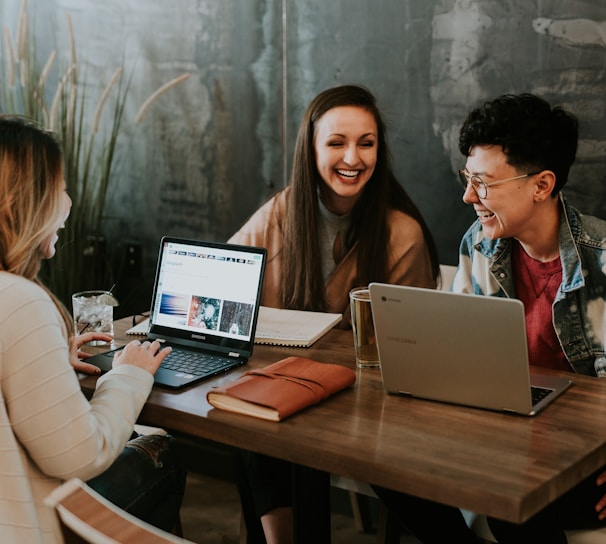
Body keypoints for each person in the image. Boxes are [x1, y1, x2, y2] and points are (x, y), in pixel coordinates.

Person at [373, 93, 606, 544]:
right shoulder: (479, 245)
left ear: (541, 185)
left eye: (483, 182)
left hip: (580, 453)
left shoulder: (602, 260)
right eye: (468, 178)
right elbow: (460, 360)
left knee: (512, 501)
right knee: (384, 463)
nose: (467, 196)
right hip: (504, 435)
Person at [229, 84, 440, 544]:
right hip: (286, 392)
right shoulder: (284, 211)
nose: (353, 157)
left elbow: (410, 349)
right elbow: (228, 276)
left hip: (365, 406)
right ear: (311, 148)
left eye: (366, 143)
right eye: (336, 142)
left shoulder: (400, 233)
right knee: (247, 416)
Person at [0, 115, 186, 543]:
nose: (68, 203)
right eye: (60, 189)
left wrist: (47, 364)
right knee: (163, 453)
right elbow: (79, 456)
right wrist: (129, 375)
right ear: (17, 205)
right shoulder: (21, 302)